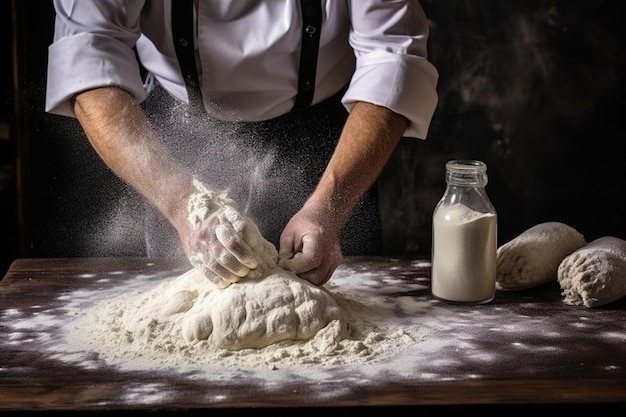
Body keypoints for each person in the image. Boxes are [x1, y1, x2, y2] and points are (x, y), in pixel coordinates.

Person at [45, 0, 439, 288]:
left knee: (350, 315)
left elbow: (392, 56)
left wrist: (328, 208)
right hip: (175, 145)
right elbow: (88, 56)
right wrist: (185, 205)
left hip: (330, 148)